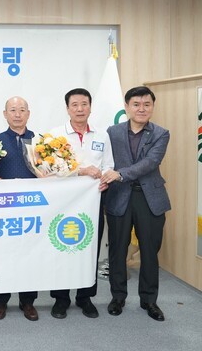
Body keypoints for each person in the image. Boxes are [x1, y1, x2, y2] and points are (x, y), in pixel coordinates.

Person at [101, 86, 170, 321]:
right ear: (127, 107)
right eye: (136, 104)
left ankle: (149, 301)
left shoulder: (161, 133)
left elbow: (151, 162)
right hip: (119, 196)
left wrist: (120, 174)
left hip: (149, 198)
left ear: (152, 107)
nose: (142, 109)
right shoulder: (112, 132)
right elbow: (104, 161)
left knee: (150, 251)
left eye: (147, 104)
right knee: (117, 250)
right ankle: (117, 297)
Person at [48, 88, 114, 319]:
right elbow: (50, 168)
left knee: (89, 248)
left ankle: (85, 297)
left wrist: (105, 177)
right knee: (62, 247)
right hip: (63, 203)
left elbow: (109, 164)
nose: (79, 109)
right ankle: (61, 298)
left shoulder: (102, 135)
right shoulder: (55, 135)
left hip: (93, 201)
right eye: (74, 105)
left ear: (90, 107)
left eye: (84, 104)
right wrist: (82, 171)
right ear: (67, 109)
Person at [0, 96, 39, 321]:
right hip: (4, 207)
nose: (18, 114)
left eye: (22, 110)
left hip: (33, 207)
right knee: (3, 255)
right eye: (13, 110)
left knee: (30, 255)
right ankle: (1, 301)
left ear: (29, 113)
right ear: (5, 114)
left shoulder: (40, 141)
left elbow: (48, 172)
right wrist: (4, 185)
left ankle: (28, 301)